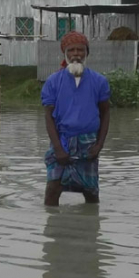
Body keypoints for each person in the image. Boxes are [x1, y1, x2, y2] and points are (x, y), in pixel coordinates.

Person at [41, 31, 111, 206]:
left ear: (87, 53)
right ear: (65, 53)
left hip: (89, 143)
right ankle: (53, 229)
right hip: (62, 141)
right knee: (52, 190)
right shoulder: (53, 81)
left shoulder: (99, 81)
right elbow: (48, 117)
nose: (76, 54)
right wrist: (57, 148)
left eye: (80, 50)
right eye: (71, 50)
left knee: (91, 193)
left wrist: (99, 146)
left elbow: (105, 114)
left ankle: (90, 228)